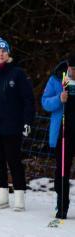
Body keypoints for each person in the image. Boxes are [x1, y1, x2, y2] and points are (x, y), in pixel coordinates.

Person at [0, 37, 35, 211]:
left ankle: (19, 196)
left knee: (14, 161)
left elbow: (28, 100)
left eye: (4, 51)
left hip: (13, 126)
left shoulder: (17, 74)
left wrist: (27, 121)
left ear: (8, 53)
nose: (1, 54)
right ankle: (2, 196)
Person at [41, 58, 74, 220]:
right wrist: (59, 100)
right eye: (72, 69)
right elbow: (45, 102)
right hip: (63, 133)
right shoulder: (56, 78)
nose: (73, 72)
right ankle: (62, 205)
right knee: (61, 171)